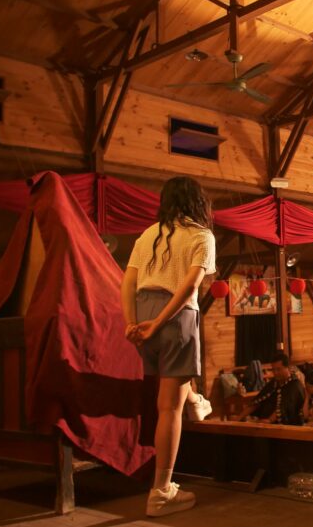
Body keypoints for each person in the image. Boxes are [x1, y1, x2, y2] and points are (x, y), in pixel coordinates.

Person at [121, 176, 216, 517]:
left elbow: (128, 281)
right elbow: (190, 287)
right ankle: (161, 492)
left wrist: (131, 323)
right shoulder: (202, 235)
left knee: (173, 385)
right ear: (198, 203)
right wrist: (161, 322)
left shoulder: (148, 234)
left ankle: (196, 401)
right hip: (174, 316)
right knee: (168, 408)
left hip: (142, 313)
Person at [241, 354, 306, 425]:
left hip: (288, 426)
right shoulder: (274, 382)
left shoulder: (295, 385)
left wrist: (269, 420)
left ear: (288, 368)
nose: (275, 372)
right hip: (267, 423)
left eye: (278, 369)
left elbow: (286, 407)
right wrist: (239, 417)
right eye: (273, 369)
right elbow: (258, 402)